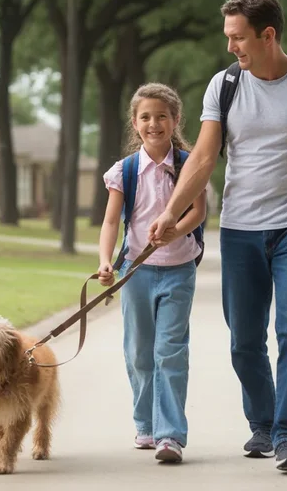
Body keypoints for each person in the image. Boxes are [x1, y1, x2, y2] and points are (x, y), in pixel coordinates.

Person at [147, 0, 287, 472]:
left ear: (268, 35)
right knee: (244, 339)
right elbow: (201, 158)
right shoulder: (224, 86)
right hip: (240, 229)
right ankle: (263, 422)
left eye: (238, 38)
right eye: (228, 38)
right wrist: (172, 214)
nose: (230, 47)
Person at [97, 83, 208, 465]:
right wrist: (105, 260)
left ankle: (171, 434)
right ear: (135, 122)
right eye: (145, 116)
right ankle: (145, 423)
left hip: (178, 270)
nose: (154, 123)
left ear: (175, 120)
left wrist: (179, 228)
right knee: (139, 353)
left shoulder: (189, 163)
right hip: (136, 274)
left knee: (170, 352)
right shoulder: (125, 171)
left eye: (162, 116)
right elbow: (112, 221)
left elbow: (198, 211)